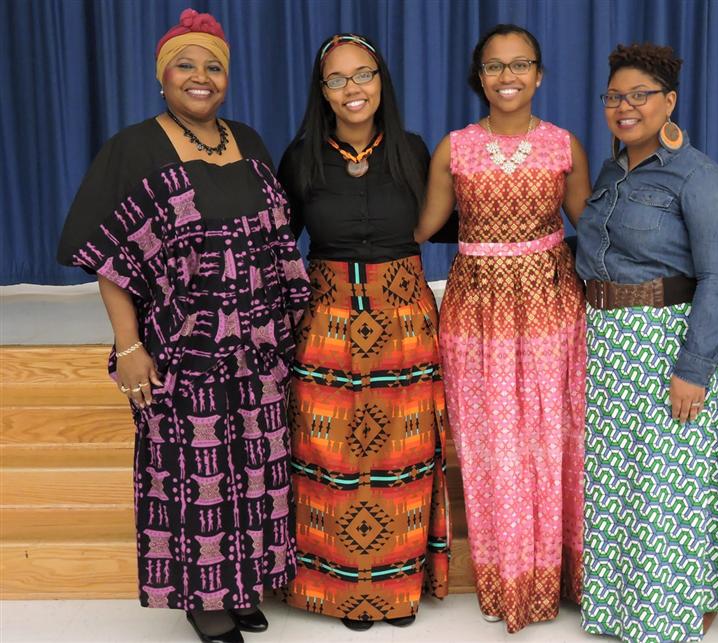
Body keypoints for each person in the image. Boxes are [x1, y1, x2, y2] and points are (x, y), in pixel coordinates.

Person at [56, 9, 310, 643]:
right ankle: (204, 598)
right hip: (181, 348)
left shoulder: (246, 141)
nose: (202, 77)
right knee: (191, 473)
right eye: (187, 65)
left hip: (254, 348)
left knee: (258, 468)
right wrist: (130, 346)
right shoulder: (134, 148)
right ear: (162, 77)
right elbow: (112, 261)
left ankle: (246, 581)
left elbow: (275, 242)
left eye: (214, 66)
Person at [575, 43, 718, 642]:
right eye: (615, 97)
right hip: (610, 346)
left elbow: (717, 280)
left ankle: (680, 607)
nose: (625, 107)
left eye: (640, 96)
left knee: (674, 485)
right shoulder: (612, 170)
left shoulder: (701, 177)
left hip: (669, 341)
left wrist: (694, 367)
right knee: (625, 481)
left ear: (670, 102)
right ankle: (623, 603)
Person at [414, 23, 591, 634]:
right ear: (479, 77)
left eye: (521, 65)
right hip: (476, 313)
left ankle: (561, 577)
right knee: (492, 449)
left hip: (549, 305)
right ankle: (509, 580)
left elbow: (594, 232)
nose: (508, 76)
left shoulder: (564, 145)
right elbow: (419, 228)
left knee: (552, 440)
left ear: (539, 75)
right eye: (494, 66)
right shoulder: (454, 147)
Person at [276, 33, 451, 631]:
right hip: (326, 323)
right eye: (338, 79)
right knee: (331, 454)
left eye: (363, 75)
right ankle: (342, 590)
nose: (353, 89)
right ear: (321, 92)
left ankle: (398, 587)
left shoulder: (413, 150)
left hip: (404, 320)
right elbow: (276, 247)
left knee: (405, 451)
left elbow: (451, 224)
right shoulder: (302, 159)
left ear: (382, 81)